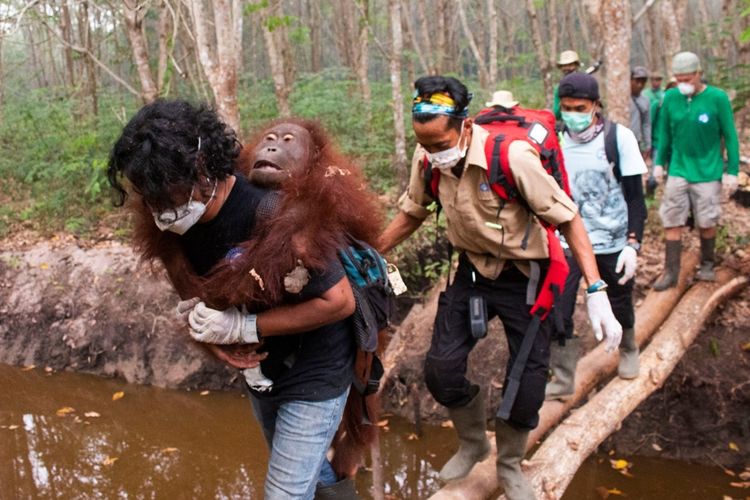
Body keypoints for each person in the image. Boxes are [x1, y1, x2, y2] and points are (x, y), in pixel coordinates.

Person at [377, 75, 622, 499]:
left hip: (526, 277)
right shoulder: (427, 160)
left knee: (526, 382)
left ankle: (509, 464)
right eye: (426, 146)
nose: (434, 155)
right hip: (472, 271)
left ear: (465, 127)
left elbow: (568, 218)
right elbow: (414, 211)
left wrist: (597, 289)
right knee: (441, 368)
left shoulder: (512, 157)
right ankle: (474, 442)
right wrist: (371, 250)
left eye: (440, 145)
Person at [107, 100, 361, 500]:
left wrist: (244, 327)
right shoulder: (172, 218)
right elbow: (193, 292)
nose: (161, 210)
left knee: (284, 493)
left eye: (168, 196)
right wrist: (211, 334)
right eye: (150, 197)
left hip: (318, 366)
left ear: (202, 168)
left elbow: (339, 302)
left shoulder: (275, 213)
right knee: (305, 471)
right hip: (264, 368)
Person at [546, 73, 648, 400]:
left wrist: (633, 243)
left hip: (612, 240)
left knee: (618, 298)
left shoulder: (619, 139)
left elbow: (635, 197)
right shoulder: (554, 141)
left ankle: (628, 349)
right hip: (566, 244)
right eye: (566, 108)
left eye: (580, 107)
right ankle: (563, 375)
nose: (573, 114)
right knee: (558, 308)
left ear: (595, 106)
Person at [652, 52, 740, 290]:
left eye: (688, 78)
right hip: (679, 169)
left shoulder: (717, 98)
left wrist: (731, 171)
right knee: (672, 219)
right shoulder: (670, 98)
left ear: (699, 74)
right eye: (679, 79)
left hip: (707, 170)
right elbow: (665, 135)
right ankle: (671, 271)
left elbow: (730, 136)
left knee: (706, 220)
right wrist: (659, 164)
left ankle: (708, 264)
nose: (684, 83)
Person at [630, 66, 652, 162]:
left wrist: (648, 144)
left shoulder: (645, 100)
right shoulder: (621, 99)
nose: (640, 85)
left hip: (635, 142)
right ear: (630, 80)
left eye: (643, 82)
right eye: (637, 81)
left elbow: (646, 123)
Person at [553, 50, 582, 119]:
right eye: (564, 66)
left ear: (576, 65)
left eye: (570, 65)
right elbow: (556, 113)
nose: (567, 68)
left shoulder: (586, 84)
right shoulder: (559, 88)